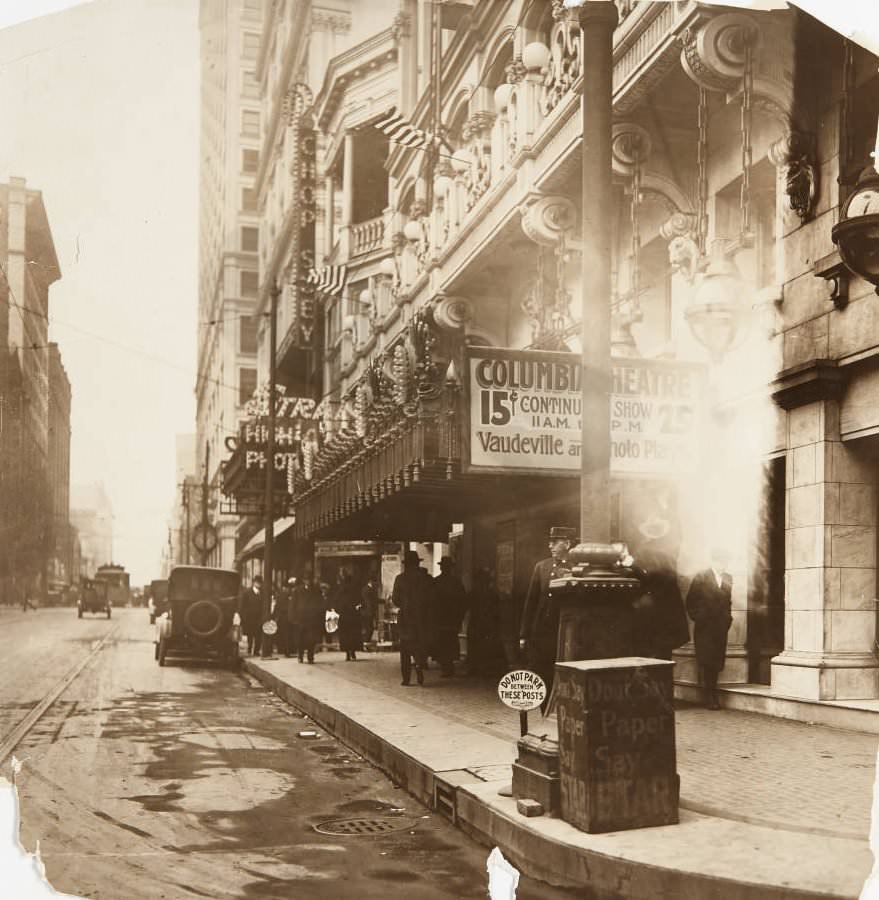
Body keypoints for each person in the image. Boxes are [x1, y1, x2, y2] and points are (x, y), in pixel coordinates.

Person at [519, 526, 576, 704]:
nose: (550, 546)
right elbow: (531, 602)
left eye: (555, 542)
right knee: (541, 672)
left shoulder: (577, 567)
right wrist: (524, 634)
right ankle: (545, 711)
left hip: (565, 631)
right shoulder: (541, 567)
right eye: (550, 542)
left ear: (567, 543)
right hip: (542, 632)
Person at [686, 549, 734, 710]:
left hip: (720, 627)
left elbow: (728, 602)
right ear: (713, 561)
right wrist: (700, 618)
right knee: (707, 660)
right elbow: (690, 601)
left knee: (716, 661)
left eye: (726, 561)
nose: (724, 565)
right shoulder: (701, 577)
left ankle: (712, 693)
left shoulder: (728, 578)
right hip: (705, 627)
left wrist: (728, 619)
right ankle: (709, 696)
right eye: (721, 561)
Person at [391, 550, 432, 686]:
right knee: (420, 644)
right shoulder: (426, 579)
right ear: (417, 563)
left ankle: (406, 678)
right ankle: (420, 665)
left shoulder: (400, 579)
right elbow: (432, 598)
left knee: (405, 649)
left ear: (406, 564)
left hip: (406, 618)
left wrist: (404, 603)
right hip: (423, 618)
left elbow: (395, 600)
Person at [432, 556, 468, 677]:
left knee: (442, 642)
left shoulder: (436, 582)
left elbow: (431, 601)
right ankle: (448, 665)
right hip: (452, 619)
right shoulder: (456, 582)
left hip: (440, 618)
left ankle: (446, 666)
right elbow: (463, 601)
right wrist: (460, 616)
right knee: (450, 641)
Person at [466, 567, 501, 677]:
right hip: (484, 623)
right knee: (482, 645)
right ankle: (481, 667)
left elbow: (466, 605)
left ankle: (477, 667)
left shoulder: (475, 592)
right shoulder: (491, 594)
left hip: (479, 623)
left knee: (477, 645)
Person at [294, 568, 326, 664]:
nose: (307, 581)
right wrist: (293, 617)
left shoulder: (316, 590)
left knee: (311, 639)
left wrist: (321, 616)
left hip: (312, 619)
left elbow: (321, 604)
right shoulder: (298, 590)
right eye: (306, 579)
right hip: (301, 618)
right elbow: (293, 604)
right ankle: (300, 655)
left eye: (309, 579)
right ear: (303, 580)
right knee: (301, 638)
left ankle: (310, 656)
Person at [333, 569, 363, 661]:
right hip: (353, 616)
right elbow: (360, 602)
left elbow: (336, 602)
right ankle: (353, 652)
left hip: (344, 616)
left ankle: (347, 653)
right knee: (353, 635)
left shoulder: (341, 591)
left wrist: (339, 611)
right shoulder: (355, 590)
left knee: (345, 635)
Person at [239, 575, 263, 656]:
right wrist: (244, 616)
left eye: (260, 583)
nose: (258, 584)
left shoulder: (262, 593)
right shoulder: (247, 593)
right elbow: (242, 606)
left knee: (258, 634)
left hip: (259, 617)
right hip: (249, 617)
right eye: (257, 583)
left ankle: (256, 651)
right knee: (250, 634)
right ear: (253, 583)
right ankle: (249, 649)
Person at [360, 575, 379, 645]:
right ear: (371, 581)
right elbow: (369, 602)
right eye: (375, 582)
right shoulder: (367, 589)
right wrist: (371, 612)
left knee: (369, 628)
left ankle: (366, 643)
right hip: (367, 612)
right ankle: (365, 643)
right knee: (369, 628)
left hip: (368, 612)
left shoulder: (368, 589)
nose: (376, 584)